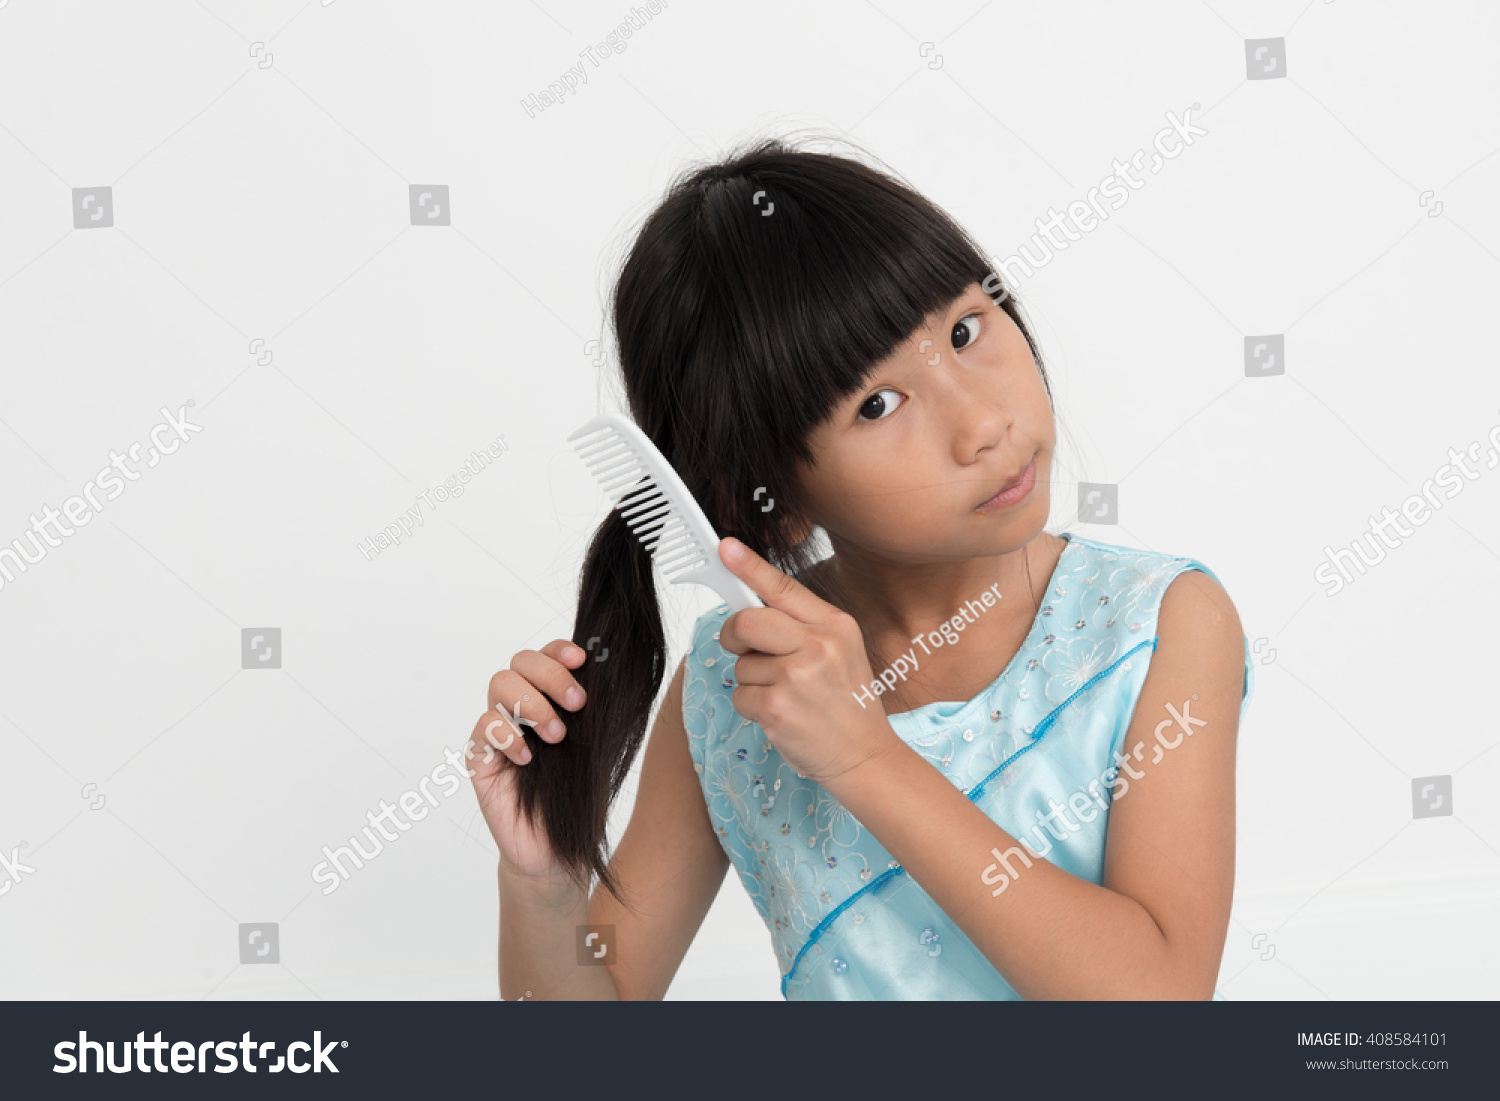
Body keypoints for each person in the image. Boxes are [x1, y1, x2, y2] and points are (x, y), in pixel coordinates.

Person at [467, 135, 1254, 1000]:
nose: (982, 421)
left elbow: (1161, 1002)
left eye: (965, 330)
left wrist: (865, 759)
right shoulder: (735, 693)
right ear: (772, 497)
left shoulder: (1157, 622)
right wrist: (540, 883)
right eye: (877, 404)